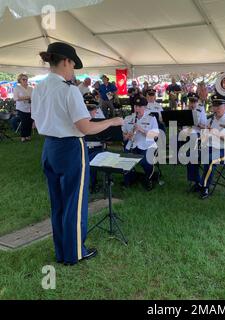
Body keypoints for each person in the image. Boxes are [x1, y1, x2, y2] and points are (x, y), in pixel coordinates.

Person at [31, 42, 124, 265]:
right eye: (73, 64)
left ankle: (62, 250)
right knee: (75, 201)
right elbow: (86, 127)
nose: (73, 69)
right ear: (65, 61)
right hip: (71, 148)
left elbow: (36, 121)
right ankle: (75, 253)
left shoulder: (38, 89)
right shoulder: (69, 89)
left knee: (59, 203)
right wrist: (113, 121)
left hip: (49, 148)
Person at [187, 95, 225, 199]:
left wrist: (216, 133)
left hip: (224, 150)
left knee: (209, 160)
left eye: (219, 106)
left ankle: (204, 186)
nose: (216, 109)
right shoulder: (211, 120)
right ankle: (197, 182)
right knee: (191, 155)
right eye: (215, 106)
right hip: (208, 146)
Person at [122, 96, 159, 190]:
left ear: (145, 107)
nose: (137, 108)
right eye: (136, 106)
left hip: (147, 145)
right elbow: (123, 134)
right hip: (132, 144)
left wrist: (142, 130)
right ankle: (128, 180)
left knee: (145, 161)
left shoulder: (151, 118)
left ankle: (149, 179)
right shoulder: (128, 118)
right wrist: (126, 136)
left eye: (140, 106)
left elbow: (155, 136)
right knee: (125, 160)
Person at [13, 73, 33, 142]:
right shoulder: (17, 88)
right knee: (24, 122)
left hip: (30, 107)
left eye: (26, 79)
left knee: (29, 122)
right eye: (23, 79)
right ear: (20, 80)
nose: (25, 80)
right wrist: (26, 97)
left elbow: (33, 97)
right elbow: (15, 98)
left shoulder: (31, 88)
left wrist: (31, 99)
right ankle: (23, 136)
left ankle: (28, 135)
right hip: (21, 108)